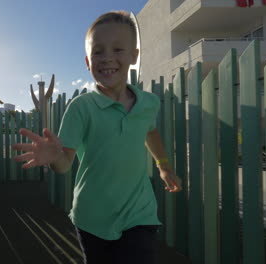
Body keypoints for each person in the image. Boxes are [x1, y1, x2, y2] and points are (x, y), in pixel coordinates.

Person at [12, 10, 182, 264]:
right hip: (92, 217)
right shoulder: (81, 107)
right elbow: (65, 163)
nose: (107, 58)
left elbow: (150, 131)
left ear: (134, 55)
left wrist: (164, 167)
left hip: (139, 213)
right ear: (87, 62)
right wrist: (54, 156)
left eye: (118, 49)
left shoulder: (148, 103)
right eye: (98, 51)